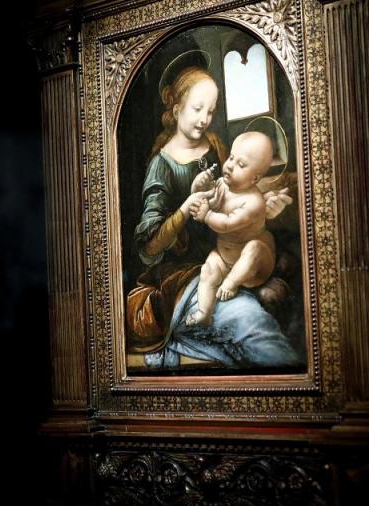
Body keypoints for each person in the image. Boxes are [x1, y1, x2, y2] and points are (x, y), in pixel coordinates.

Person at [127, 55, 299, 369]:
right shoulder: (161, 166)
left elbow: (236, 191)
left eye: (211, 110)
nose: (205, 119)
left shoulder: (215, 145)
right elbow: (148, 248)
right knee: (252, 324)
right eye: (197, 109)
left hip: (230, 252)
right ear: (176, 109)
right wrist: (185, 208)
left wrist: (264, 206)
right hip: (185, 275)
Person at [185, 131, 278, 327]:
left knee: (254, 247)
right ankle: (204, 313)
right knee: (207, 270)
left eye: (241, 164)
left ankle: (232, 282)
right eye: (231, 158)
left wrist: (207, 215)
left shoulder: (254, 202)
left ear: (255, 178)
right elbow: (205, 199)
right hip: (224, 256)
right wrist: (198, 187)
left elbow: (228, 224)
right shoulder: (221, 184)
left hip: (254, 269)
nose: (230, 165)